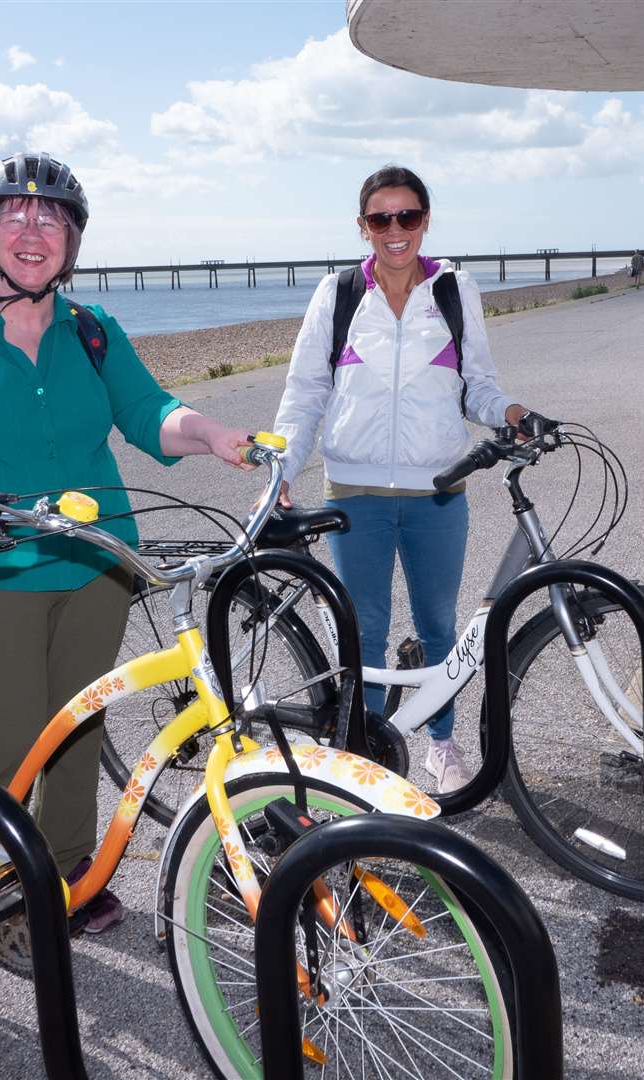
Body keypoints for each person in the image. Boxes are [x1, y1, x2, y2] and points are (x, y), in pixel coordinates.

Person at [0, 152, 252, 964]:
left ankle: (71, 876)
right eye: (15, 217)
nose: (32, 232)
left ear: (71, 241)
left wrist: (212, 434)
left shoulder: (93, 331)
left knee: (78, 727)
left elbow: (148, 412)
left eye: (51, 220)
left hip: (97, 563)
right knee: (1, 734)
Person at [271, 164, 529, 794]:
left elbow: (478, 387)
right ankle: (369, 761)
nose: (395, 230)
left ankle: (441, 746)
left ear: (424, 222)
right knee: (367, 632)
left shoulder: (452, 291)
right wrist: (280, 469)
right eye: (381, 218)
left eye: (407, 216)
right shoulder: (336, 296)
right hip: (354, 494)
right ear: (363, 227)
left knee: (440, 625)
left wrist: (512, 414)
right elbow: (305, 394)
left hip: (438, 492)